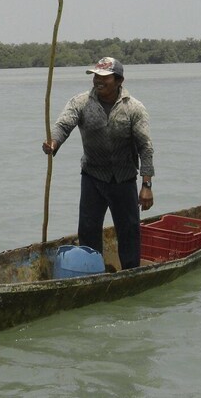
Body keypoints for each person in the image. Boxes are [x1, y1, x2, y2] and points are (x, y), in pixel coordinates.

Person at [42, 57, 154, 270]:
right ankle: (92, 270)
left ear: (119, 80)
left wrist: (146, 186)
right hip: (93, 176)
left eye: (104, 77)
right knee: (88, 229)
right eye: (96, 76)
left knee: (129, 230)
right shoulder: (81, 102)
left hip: (124, 178)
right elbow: (63, 125)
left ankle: (131, 272)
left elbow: (145, 147)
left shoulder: (134, 108)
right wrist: (53, 143)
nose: (98, 81)